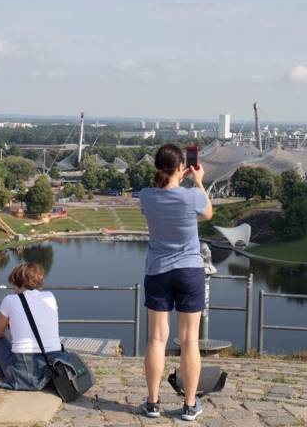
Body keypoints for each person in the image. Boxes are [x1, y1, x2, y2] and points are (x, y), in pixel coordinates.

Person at [138, 144, 213, 421]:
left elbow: (157, 203)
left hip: (158, 270)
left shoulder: (146, 196)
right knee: (189, 340)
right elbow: (208, 214)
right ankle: (190, 405)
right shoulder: (192, 196)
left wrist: (179, 178)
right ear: (182, 167)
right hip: (189, 270)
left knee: (157, 339)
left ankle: (153, 402)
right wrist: (200, 181)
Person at [0, 262, 61, 390]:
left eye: (14, 284)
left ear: (19, 282)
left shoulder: (9, 300)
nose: (13, 288)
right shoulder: (50, 297)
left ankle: (5, 377)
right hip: (53, 363)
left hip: (24, 365)